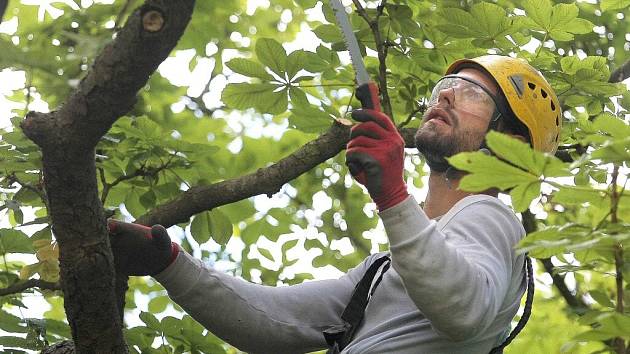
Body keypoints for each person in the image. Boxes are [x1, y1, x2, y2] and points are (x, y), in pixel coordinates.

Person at [108, 55, 562, 353]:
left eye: (471, 93)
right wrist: (168, 262)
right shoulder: (384, 268)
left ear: (510, 144)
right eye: (448, 85)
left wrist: (392, 195)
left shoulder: (493, 217)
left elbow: (466, 309)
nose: (444, 95)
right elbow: (275, 321)